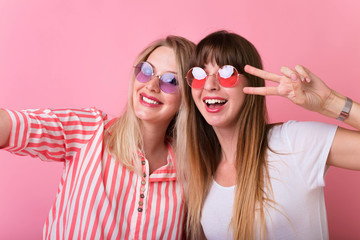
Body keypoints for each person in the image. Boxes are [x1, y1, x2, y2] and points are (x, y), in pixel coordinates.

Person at [0, 36, 195, 239]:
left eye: (171, 81)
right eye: (146, 71)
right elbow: (14, 125)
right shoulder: (89, 131)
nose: (152, 86)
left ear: (187, 98)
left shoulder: (191, 173)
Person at [176, 30, 360, 240]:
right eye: (199, 75)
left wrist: (330, 102)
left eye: (226, 73)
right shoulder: (200, 175)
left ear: (251, 84)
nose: (209, 85)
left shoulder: (293, 143)